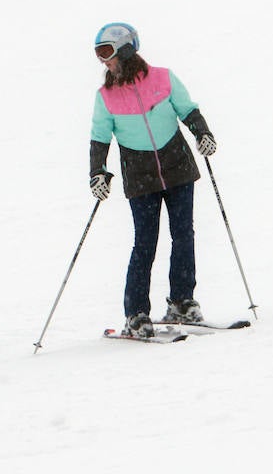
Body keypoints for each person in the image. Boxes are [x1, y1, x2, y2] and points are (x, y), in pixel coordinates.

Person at [88, 23, 218, 338]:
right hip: (140, 175)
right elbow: (99, 137)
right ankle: (135, 314)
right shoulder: (106, 96)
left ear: (126, 49)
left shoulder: (163, 78)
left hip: (177, 167)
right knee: (145, 244)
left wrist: (203, 133)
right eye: (99, 55)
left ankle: (182, 302)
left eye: (107, 52)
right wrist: (97, 171)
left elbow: (188, 110)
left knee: (183, 234)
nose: (104, 61)